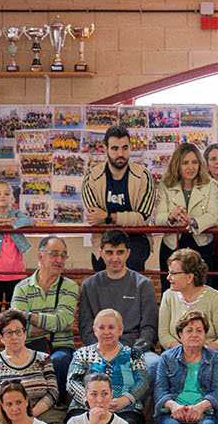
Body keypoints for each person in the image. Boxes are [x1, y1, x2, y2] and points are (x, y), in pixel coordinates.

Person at [150, 311, 218, 424]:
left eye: (199, 331)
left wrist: (200, 408)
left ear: (205, 334)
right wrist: (174, 407)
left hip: (205, 412)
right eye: (189, 330)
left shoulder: (216, 358)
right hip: (173, 412)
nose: (194, 335)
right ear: (180, 335)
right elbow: (160, 389)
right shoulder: (166, 358)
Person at [83, 124, 158, 276]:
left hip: (136, 240)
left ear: (130, 148)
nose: (120, 153)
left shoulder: (144, 176)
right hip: (104, 239)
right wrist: (126, 218)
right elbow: (94, 217)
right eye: (115, 148)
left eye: (125, 148)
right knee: (101, 276)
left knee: (131, 268)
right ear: (106, 149)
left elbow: (143, 218)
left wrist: (108, 216)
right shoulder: (92, 177)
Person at [76, 229, 158, 362]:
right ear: (101, 252)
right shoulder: (89, 286)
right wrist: (101, 351)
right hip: (99, 350)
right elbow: (86, 329)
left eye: (120, 252)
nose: (115, 258)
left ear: (128, 253)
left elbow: (149, 328)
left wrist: (132, 353)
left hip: (136, 350)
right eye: (109, 252)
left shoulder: (143, 284)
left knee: (153, 363)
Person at [12, 237, 81, 383]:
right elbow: (17, 327)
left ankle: (60, 403)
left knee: (60, 361)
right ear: (40, 256)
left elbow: (62, 321)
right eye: (54, 254)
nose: (59, 260)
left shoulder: (70, 286)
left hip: (60, 346)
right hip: (28, 346)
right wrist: (53, 326)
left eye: (63, 255)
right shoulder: (21, 288)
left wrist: (28, 316)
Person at [151, 142, 218, 284]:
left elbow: (214, 216)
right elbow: (158, 218)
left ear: (200, 164)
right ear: (177, 165)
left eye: (194, 162)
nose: (191, 167)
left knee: (202, 288)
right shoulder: (165, 185)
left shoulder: (211, 185)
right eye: (185, 163)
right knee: (171, 291)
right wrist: (171, 217)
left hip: (202, 243)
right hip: (172, 245)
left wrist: (193, 221)